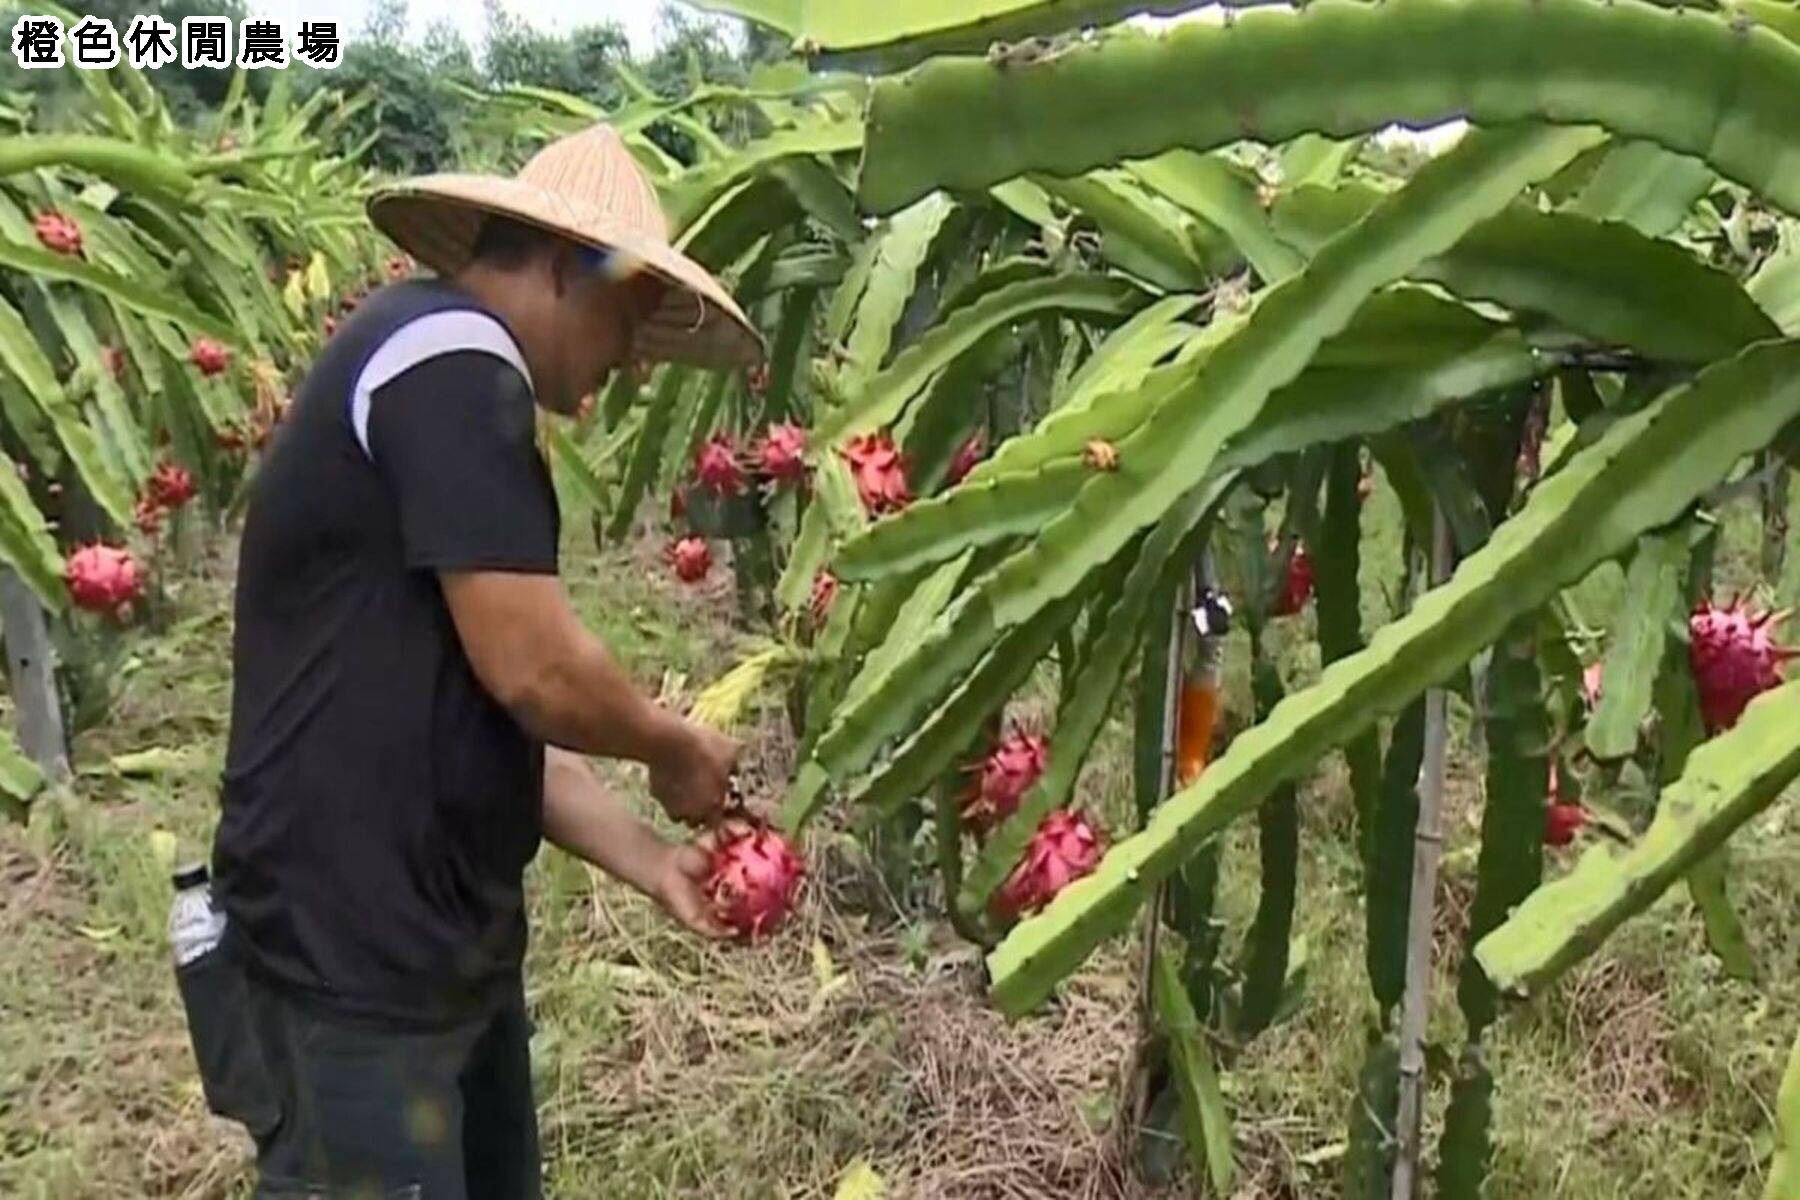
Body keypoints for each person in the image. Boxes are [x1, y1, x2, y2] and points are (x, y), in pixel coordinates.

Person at [208, 124, 764, 1199]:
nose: (632, 362)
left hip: (430, 946)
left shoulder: (441, 365)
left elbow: (498, 713)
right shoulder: (451, 358)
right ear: (564, 267)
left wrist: (651, 861)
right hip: (350, 961)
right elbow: (534, 669)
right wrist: (670, 743)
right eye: (629, 319)